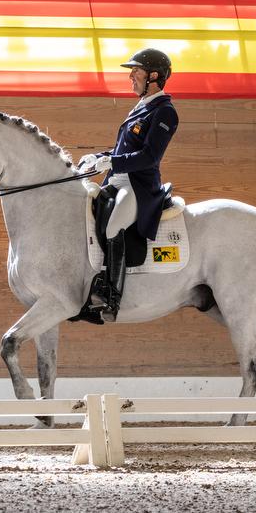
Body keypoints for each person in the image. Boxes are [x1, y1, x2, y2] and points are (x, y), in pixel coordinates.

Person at [77, 48, 179, 321]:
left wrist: (112, 162)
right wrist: (99, 157)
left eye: (136, 71)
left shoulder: (165, 111)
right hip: (117, 180)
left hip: (138, 185)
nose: (131, 76)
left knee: (114, 226)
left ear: (153, 76)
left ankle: (111, 296)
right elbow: (124, 149)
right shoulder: (142, 106)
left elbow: (149, 157)